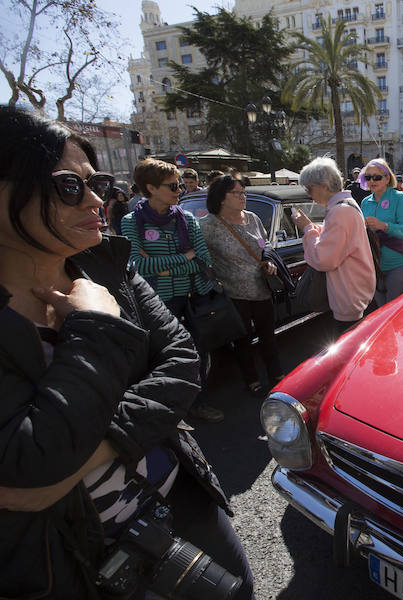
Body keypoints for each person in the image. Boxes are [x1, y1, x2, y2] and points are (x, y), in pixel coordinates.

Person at [0, 106, 254, 599]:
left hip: (178, 496)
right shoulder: (111, 271)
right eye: (69, 186)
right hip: (70, 554)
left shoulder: (107, 266)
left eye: (96, 182)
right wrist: (93, 325)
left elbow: (181, 360)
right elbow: (30, 461)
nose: (96, 199)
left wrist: (101, 445)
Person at [120, 158, 224, 422]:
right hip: (156, 301)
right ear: (150, 188)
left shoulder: (187, 219)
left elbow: (202, 260)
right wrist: (184, 258)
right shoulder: (132, 222)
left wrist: (166, 266)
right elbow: (140, 266)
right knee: (162, 356)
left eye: (179, 185)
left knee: (197, 353)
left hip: (191, 297)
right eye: (173, 186)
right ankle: (167, 409)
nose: (179, 190)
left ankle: (198, 403)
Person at [199, 175, 283, 395]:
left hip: (262, 287)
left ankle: (277, 374)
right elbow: (200, 258)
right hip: (233, 293)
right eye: (236, 193)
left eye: (243, 192)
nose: (242, 197)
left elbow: (265, 246)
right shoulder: (208, 225)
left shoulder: (253, 218)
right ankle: (251, 379)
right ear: (221, 198)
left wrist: (270, 261)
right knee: (243, 340)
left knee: (268, 336)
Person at [291, 157, 377, 338]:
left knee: (349, 353)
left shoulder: (340, 211)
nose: (308, 194)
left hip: (349, 296)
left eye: (309, 188)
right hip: (355, 292)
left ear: (323, 185)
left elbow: (324, 259)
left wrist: (307, 229)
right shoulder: (345, 205)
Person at [358, 158, 403, 305]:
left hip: (396, 265)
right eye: (368, 177)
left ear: (387, 178)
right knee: (380, 311)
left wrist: (384, 226)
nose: (372, 181)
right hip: (373, 265)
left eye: (377, 177)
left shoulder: (398, 198)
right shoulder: (365, 202)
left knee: (392, 311)